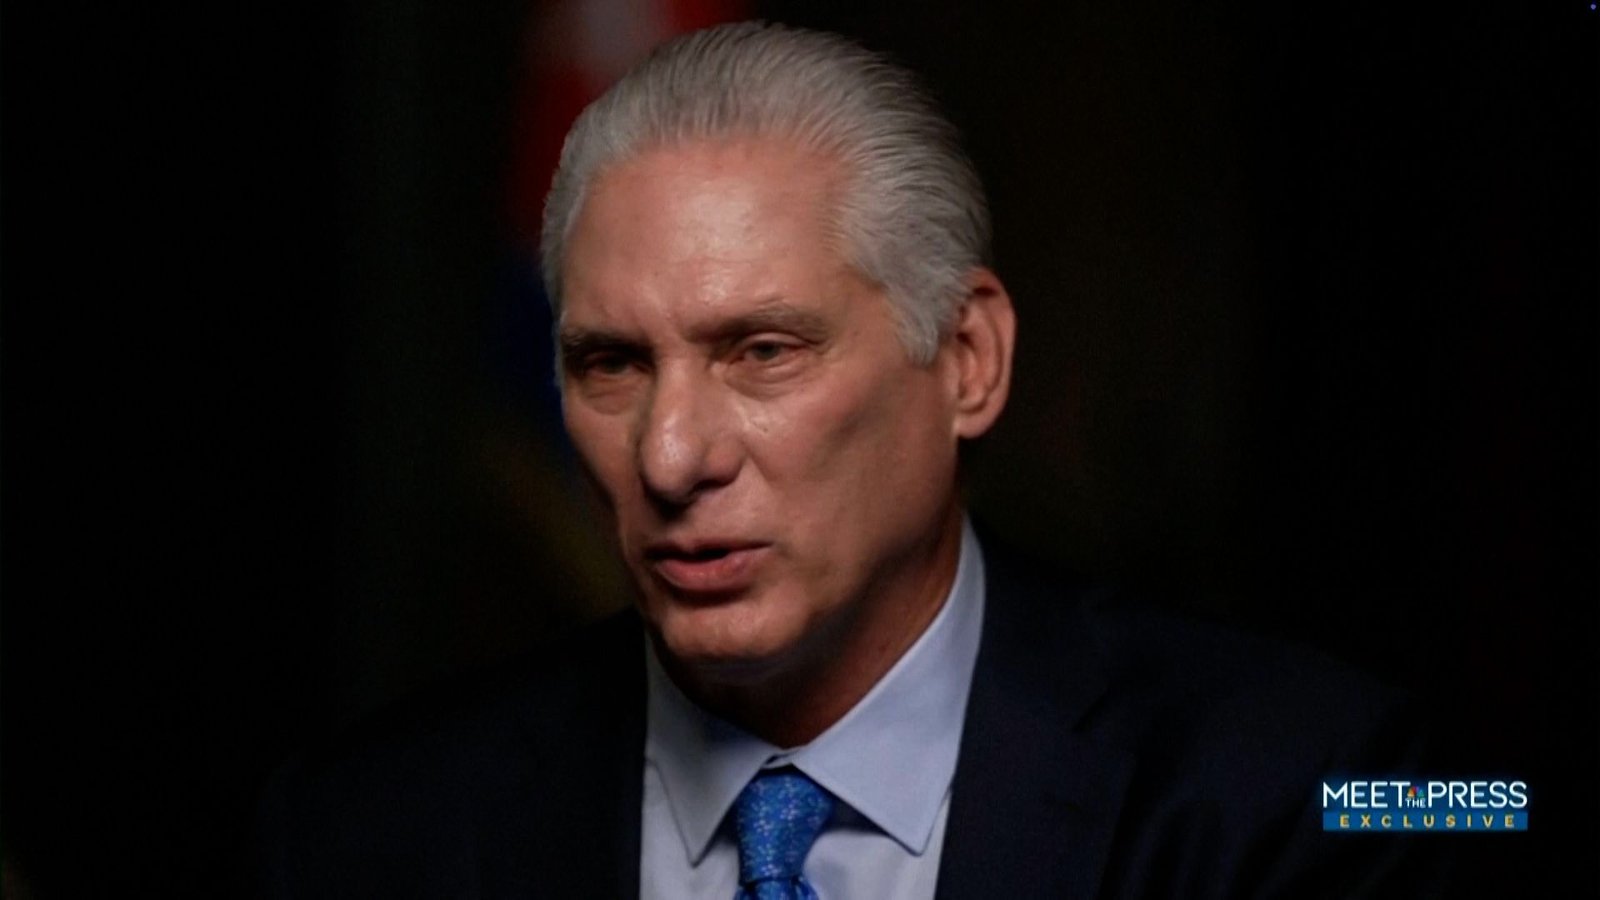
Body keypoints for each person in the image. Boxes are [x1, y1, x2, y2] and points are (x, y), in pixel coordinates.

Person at [258, 21, 1449, 899]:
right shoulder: (365, 833)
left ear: (967, 360)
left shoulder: (1322, 784)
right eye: (612, 364)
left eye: (762, 352)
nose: (668, 456)